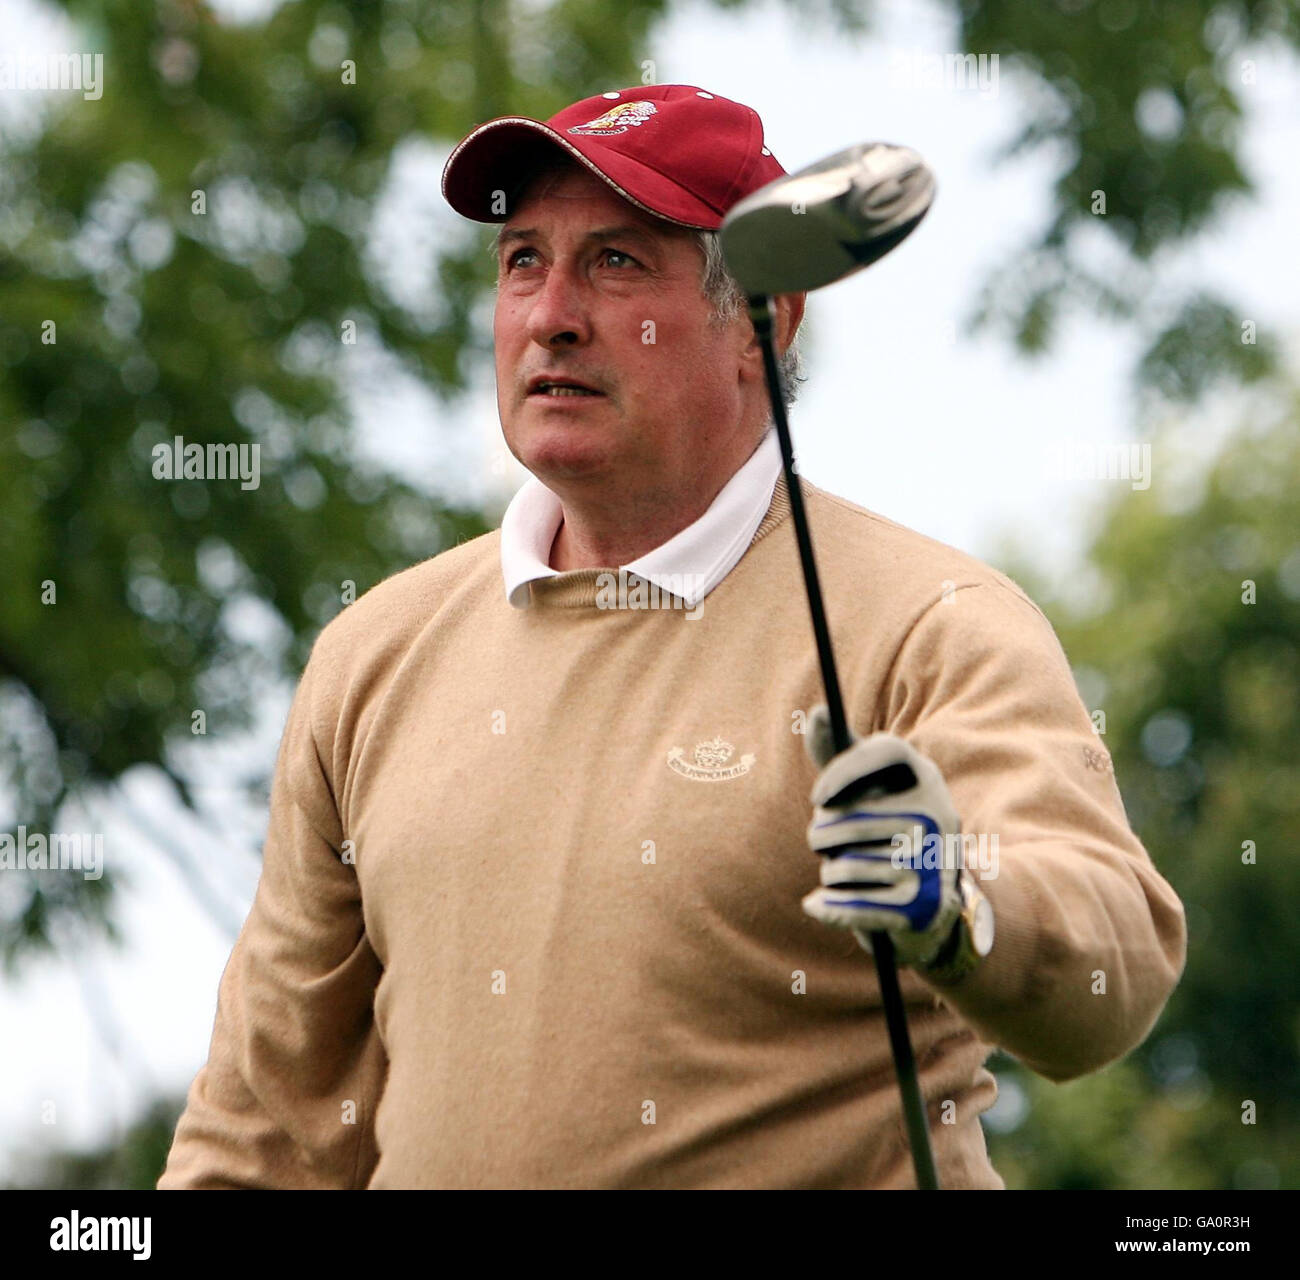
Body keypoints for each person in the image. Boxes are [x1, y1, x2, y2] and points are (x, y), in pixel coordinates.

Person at [157, 84, 1186, 1190]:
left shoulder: (927, 623)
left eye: (615, 263)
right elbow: (266, 1129)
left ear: (764, 319)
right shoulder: (374, 656)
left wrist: (961, 902)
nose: (550, 312)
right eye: (521, 262)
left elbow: (1107, 973)